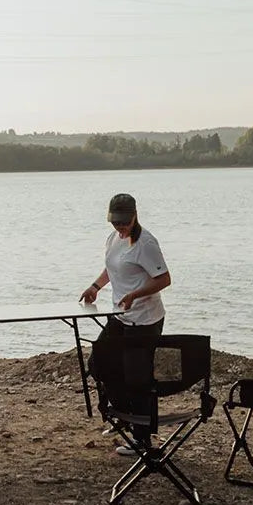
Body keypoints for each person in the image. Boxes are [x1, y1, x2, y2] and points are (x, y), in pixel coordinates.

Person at [80, 193, 171, 455]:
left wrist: (135, 294)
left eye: (124, 222)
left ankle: (143, 441)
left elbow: (164, 279)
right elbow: (113, 267)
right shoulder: (114, 238)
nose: (120, 227)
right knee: (99, 363)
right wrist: (96, 286)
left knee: (138, 380)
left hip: (145, 321)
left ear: (134, 216)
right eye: (115, 221)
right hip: (120, 316)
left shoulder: (146, 243)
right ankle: (124, 418)